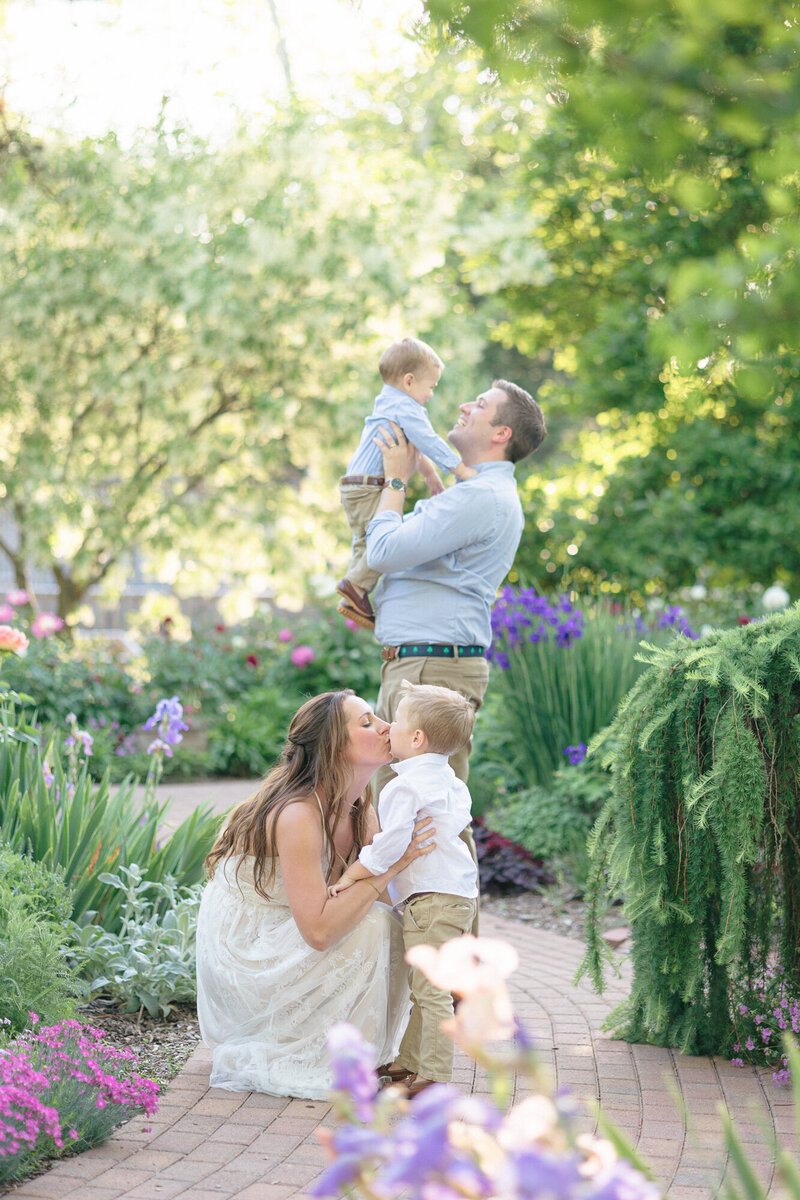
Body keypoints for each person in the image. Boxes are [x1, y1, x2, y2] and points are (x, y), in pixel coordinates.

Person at [195, 689, 434, 1100]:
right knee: (375, 924)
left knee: (389, 927)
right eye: (366, 723)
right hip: (250, 951)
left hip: (297, 928)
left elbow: (380, 909)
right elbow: (320, 933)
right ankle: (331, 1058)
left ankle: (358, 1051)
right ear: (334, 747)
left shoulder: (362, 811)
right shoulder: (299, 814)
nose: (386, 727)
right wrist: (390, 866)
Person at [366, 379, 547, 803]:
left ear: (501, 433)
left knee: (423, 813)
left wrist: (396, 481)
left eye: (481, 404)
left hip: (430, 669)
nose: (466, 405)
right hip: (426, 665)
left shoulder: (480, 497)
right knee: (413, 812)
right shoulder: (473, 493)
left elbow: (384, 550)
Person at [329, 680, 478, 1096]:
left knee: (431, 991)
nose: (387, 726)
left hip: (430, 900)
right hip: (458, 897)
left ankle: (433, 1074)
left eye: (396, 720)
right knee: (425, 986)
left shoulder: (403, 787)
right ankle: (409, 1060)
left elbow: (389, 847)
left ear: (415, 738)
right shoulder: (450, 782)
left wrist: (351, 875)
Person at [337, 337, 477, 631]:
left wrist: (429, 475)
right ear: (409, 381)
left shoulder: (389, 403)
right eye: (431, 387)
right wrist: (461, 470)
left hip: (356, 483)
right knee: (382, 542)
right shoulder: (407, 408)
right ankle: (356, 587)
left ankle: (356, 594)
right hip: (370, 485)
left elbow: (412, 446)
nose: (431, 395)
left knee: (364, 538)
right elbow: (428, 441)